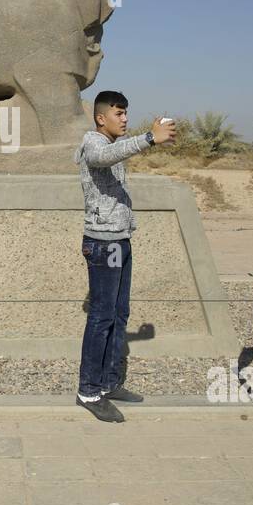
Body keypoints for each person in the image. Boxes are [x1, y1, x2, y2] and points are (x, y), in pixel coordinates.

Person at [73, 91, 175, 422]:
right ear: (101, 118)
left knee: (119, 314)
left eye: (127, 113)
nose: (125, 119)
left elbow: (117, 153)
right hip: (103, 245)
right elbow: (105, 157)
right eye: (119, 114)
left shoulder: (112, 144)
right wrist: (149, 138)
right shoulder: (93, 143)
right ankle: (88, 391)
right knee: (101, 317)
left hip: (119, 241)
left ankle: (110, 382)